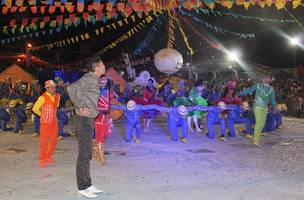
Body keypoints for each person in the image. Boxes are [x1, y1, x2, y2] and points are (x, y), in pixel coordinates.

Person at [66, 58, 105, 199]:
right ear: (97, 67)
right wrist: (79, 105)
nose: (104, 66)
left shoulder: (93, 79)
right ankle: (82, 187)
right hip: (83, 120)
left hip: (89, 120)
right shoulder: (89, 77)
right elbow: (71, 88)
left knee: (87, 152)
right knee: (84, 153)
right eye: (103, 65)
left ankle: (88, 184)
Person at [239, 75, 277, 147]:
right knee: (259, 122)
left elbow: (272, 100)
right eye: (266, 77)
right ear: (263, 79)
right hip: (257, 106)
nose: (267, 79)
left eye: (269, 78)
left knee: (262, 124)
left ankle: (255, 136)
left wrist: (275, 107)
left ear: (270, 80)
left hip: (265, 108)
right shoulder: (258, 86)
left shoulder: (271, 89)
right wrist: (240, 94)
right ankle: (256, 140)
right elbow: (249, 90)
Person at [32, 80, 60, 168]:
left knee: (53, 140)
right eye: (51, 87)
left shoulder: (57, 97)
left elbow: (56, 108)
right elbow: (35, 109)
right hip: (45, 123)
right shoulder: (42, 98)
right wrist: (42, 115)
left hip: (54, 122)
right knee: (43, 142)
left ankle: (48, 156)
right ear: (47, 88)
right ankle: (42, 159)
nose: (53, 89)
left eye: (54, 87)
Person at [94, 77, 112, 165]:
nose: (103, 84)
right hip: (99, 117)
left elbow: (109, 103)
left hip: (107, 118)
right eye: (101, 82)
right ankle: (101, 157)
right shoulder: (95, 92)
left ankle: (95, 152)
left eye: (105, 82)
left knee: (105, 135)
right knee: (99, 137)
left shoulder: (108, 91)